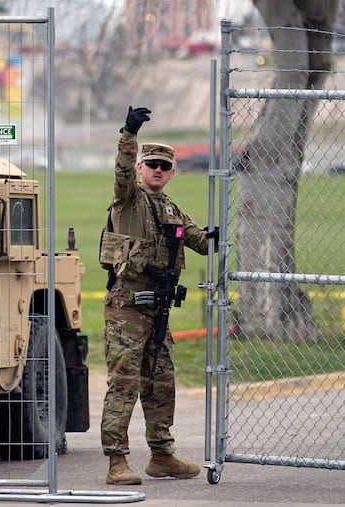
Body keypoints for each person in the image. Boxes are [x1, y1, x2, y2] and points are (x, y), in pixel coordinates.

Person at [99, 105, 218, 485]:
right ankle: (116, 460)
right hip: (127, 309)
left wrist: (218, 234)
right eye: (151, 164)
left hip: (158, 311)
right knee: (124, 382)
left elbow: (200, 241)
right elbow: (120, 171)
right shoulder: (127, 200)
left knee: (161, 382)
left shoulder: (171, 208)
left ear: (172, 172)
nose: (157, 171)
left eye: (164, 167)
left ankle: (162, 455)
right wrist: (128, 135)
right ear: (140, 167)